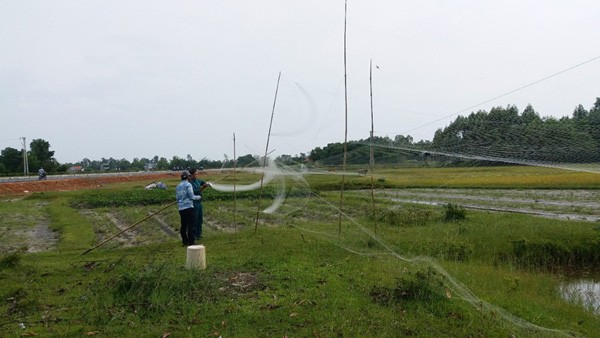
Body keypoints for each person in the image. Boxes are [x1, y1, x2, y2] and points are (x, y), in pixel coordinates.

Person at [176, 170, 201, 246]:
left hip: (181, 208)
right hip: (189, 207)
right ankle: (191, 242)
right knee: (191, 225)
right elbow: (192, 196)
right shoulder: (188, 185)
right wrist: (199, 197)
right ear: (188, 177)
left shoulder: (178, 186)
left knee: (183, 225)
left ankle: (184, 242)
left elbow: (177, 198)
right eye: (189, 176)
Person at [189, 168, 211, 240]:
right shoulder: (190, 184)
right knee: (194, 220)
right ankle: (194, 235)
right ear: (191, 175)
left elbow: (202, 182)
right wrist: (203, 187)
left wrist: (206, 184)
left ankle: (199, 234)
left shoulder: (198, 181)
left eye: (197, 174)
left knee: (200, 219)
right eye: (195, 174)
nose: (196, 175)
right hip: (193, 203)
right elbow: (196, 192)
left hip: (199, 203)